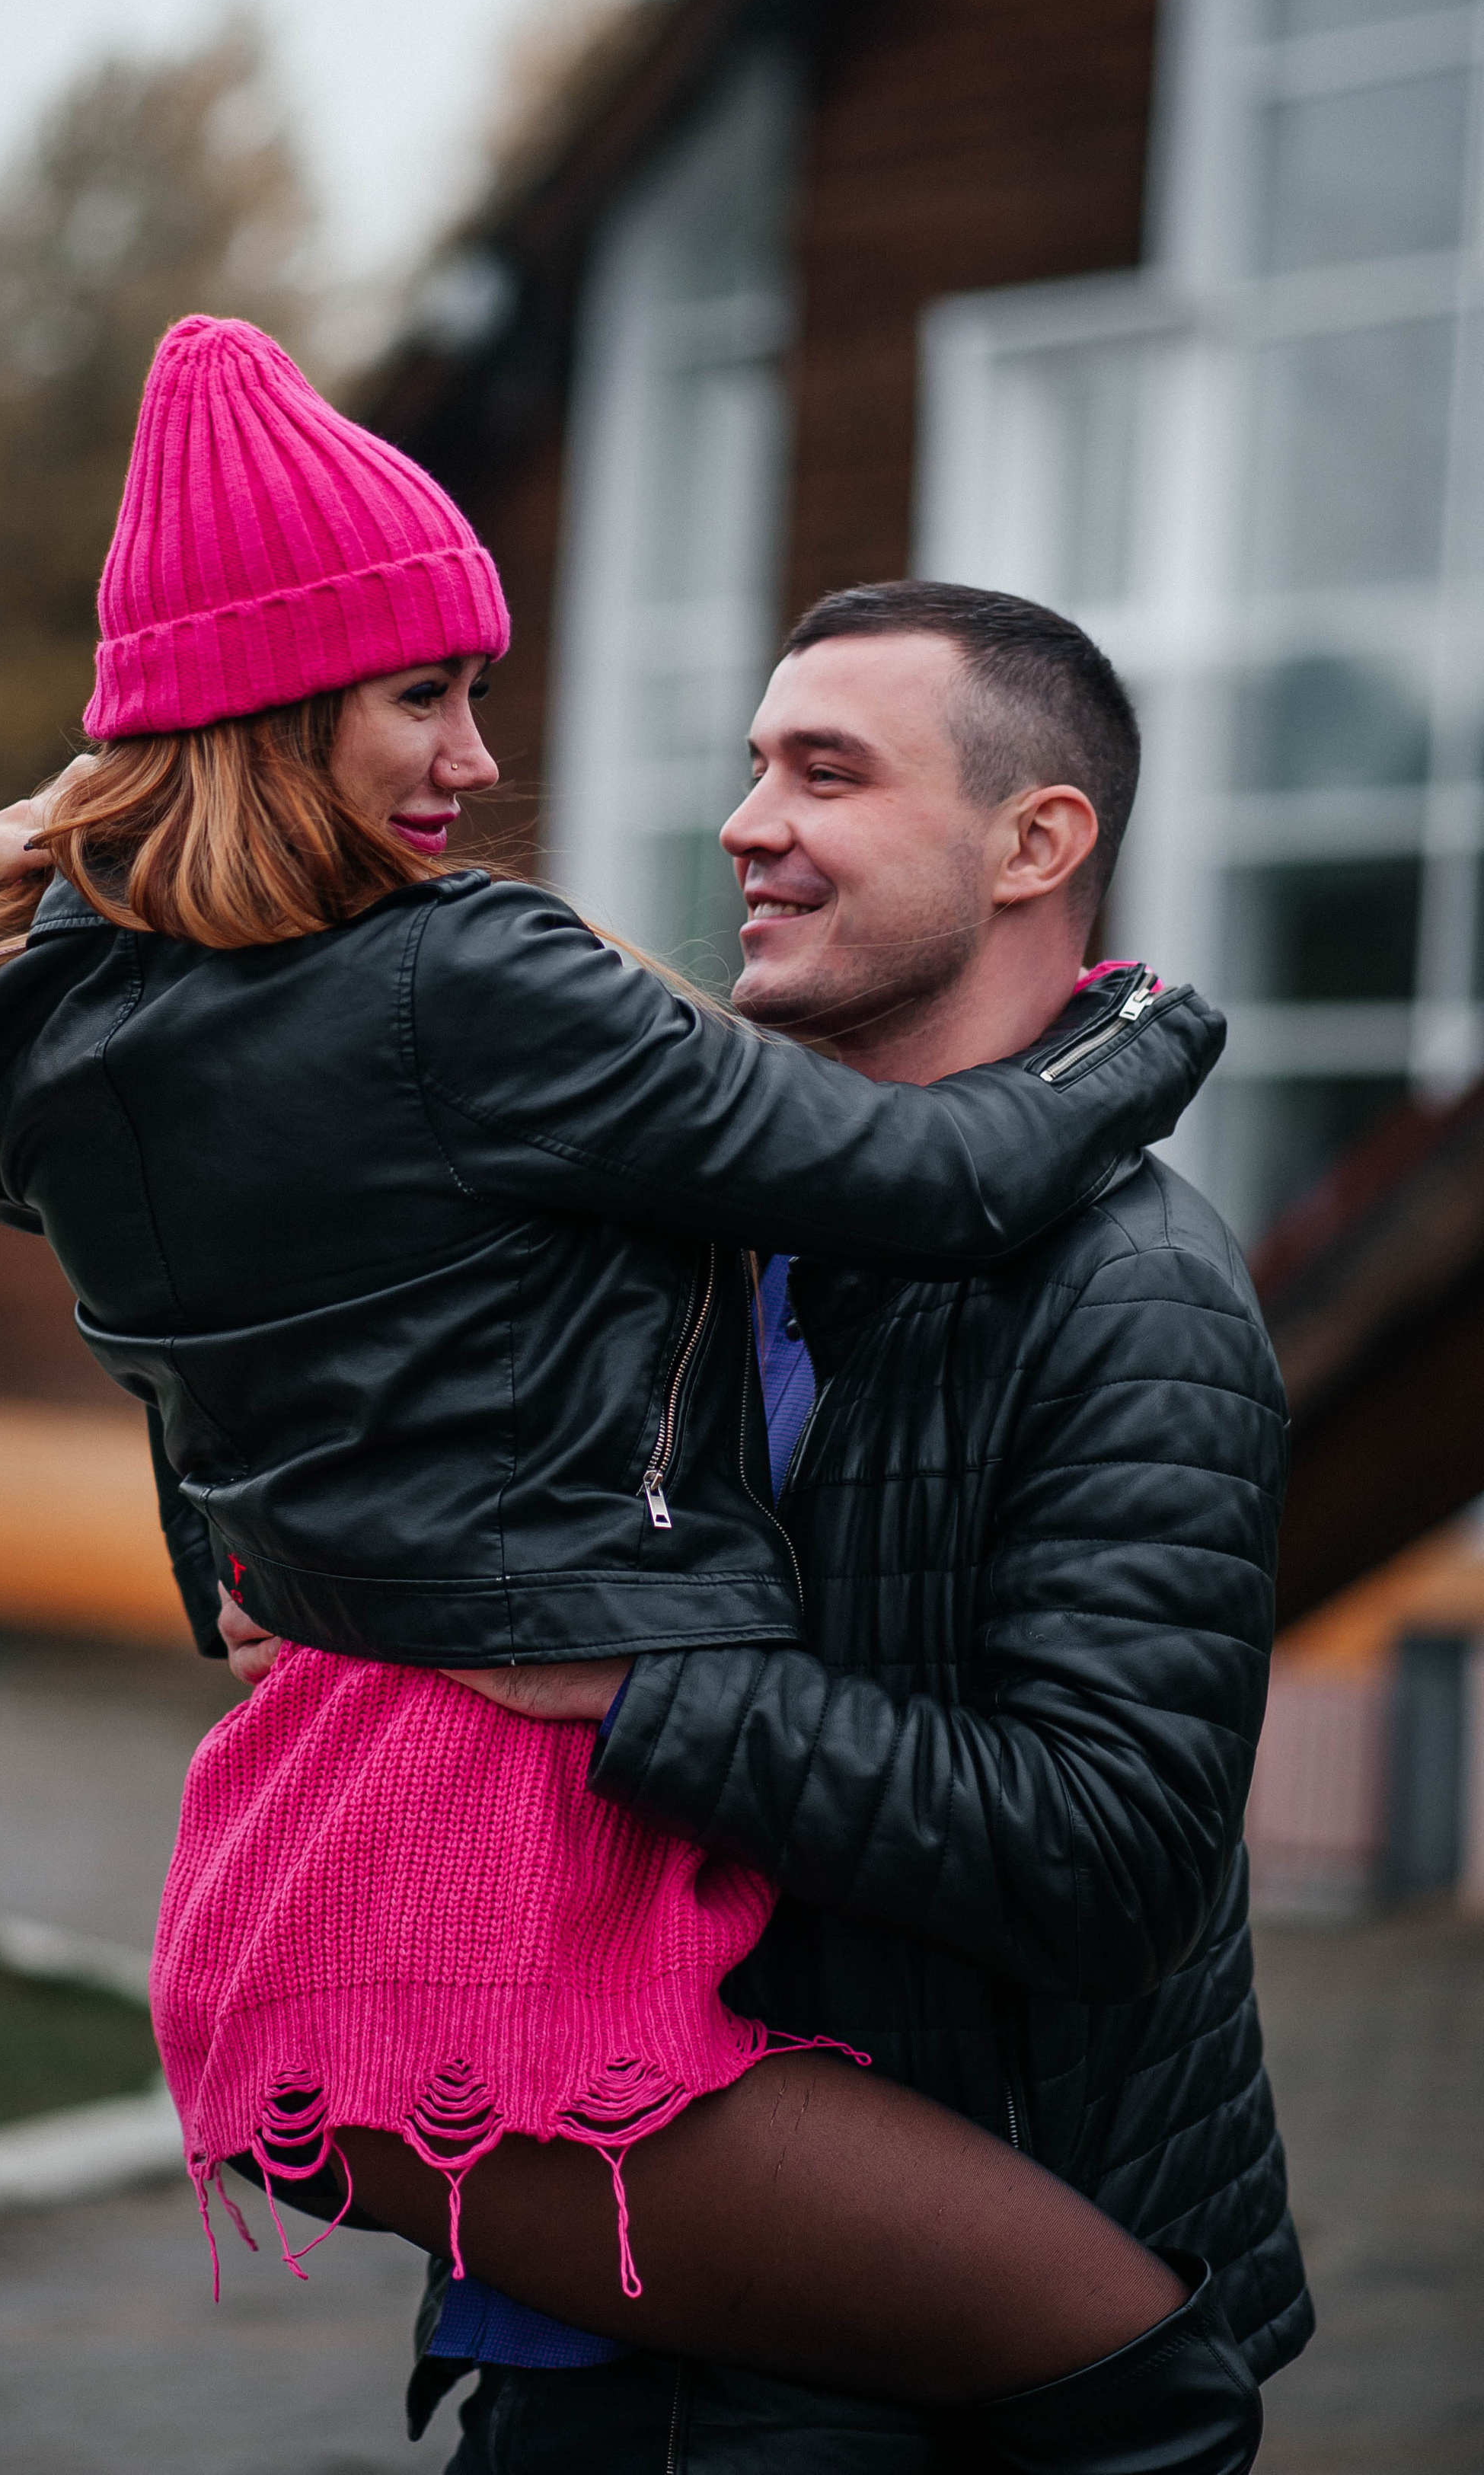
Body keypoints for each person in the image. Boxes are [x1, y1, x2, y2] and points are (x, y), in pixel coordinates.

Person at [0, 324, 1256, 2475]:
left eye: (822, 774)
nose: (486, 763)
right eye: (424, 693)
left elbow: (272, 1333)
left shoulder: (49, 1038)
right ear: (273, 712)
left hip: (318, 1914)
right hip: (488, 1949)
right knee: (1152, 2386)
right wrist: (1170, 1016)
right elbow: (950, 1175)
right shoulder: (466, 989)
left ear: (1039, 839)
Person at [344, 581, 1307, 2471]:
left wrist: (633, 1684)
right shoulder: (673, 1208)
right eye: (750, 760)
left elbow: (1112, 1852)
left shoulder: (1134, 1295)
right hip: (593, 2317)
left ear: (1035, 841)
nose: (743, 819)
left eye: (825, 770)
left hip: (883, 2391)